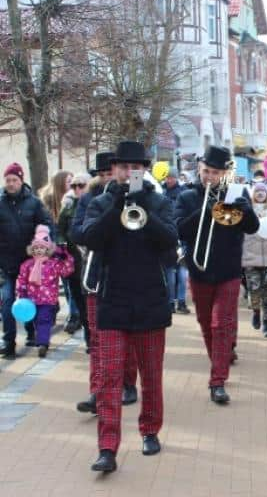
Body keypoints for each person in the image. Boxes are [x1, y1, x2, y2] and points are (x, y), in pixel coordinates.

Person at [83, 141, 178, 473]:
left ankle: (150, 430)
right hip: (113, 302)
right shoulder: (100, 203)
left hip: (151, 300)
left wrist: (144, 211)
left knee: (151, 376)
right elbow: (90, 238)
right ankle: (107, 447)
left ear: (144, 169)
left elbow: (169, 242)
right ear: (115, 169)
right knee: (109, 378)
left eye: (135, 168)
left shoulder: (160, 203)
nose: (128, 173)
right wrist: (116, 209)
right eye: (123, 167)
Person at [174, 146, 258, 405]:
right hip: (199, 270)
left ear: (225, 173)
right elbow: (179, 230)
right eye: (207, 171)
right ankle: (219, 361)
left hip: (229, 270)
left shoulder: (236, 193)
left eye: (216, 172)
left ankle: (217, 381)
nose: (210, 177)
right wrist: (205, 210)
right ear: (200, 169)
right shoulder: (187, 197)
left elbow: (252, 227)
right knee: (205, 323)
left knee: (220, 324)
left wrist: (246, 210)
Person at [72, 152, 140, 414]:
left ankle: (127, 384)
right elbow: (77, 231)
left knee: (129, 337)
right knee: (98, 339)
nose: (107, 178)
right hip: (96, 274)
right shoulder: (90, 199)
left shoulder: (138, 196)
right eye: (101, 174)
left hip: (126, 276)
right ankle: (96, 392)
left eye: (109, 173)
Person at [0, 163, 52, 359]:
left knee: (32, 301)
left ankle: (32, 332)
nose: (11, 184)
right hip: (7, 264)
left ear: (22, 181)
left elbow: (46, 225)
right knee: (7, 303)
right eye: (8, 180)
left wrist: (42, 243)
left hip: (31, 264)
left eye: (14, 180)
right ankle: (9, 343)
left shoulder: (34, 203)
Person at [16, 225, 74, 357]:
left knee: (44, 320)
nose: (39, 250)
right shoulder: (28, 264)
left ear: (48, 249)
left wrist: (66, 257)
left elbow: (67, 271)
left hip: (48, 300)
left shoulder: (53, 264)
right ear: (32, 249)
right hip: (31, 300)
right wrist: (22, 292)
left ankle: (42, 344)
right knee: (35, 321)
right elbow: (22, 279)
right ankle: (41, 338)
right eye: (36, 248)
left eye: (42, 247)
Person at [40, 170, 79, 332]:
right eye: (69, 181)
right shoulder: (47, 203)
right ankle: (54, 310)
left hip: (70, 249)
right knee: (54, 283)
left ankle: (74, 316)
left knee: (70, 283)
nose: (72, 184)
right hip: (52, 250)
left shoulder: (73, 201)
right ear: (60, 183)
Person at [57, 173, 91, 343]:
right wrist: (62, 248)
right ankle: (88, 337)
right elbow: (59, 230)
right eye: (74, 185)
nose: (77, 188)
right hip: (73, 261)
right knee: (79, 300)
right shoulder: (68, 205)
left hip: (92, 261)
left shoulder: (95, 203)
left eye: (81, 185)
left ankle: (93, 339)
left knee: (92, 303)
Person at [241, 182, 267, 338]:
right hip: (251, 256)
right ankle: (256, 311)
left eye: (263, 191)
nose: (260, 194)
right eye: (258, 191)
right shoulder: (247, 211)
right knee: (254, 289)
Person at [162, 167, 189, 314]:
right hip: (168, 238)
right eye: (167, 178)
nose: (169, 180)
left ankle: (182, 301)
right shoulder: (162, 193)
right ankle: (170, 302)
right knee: (170, 274)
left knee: (182, 273)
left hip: (182, 237)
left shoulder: (183, 193)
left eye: (171, 177)